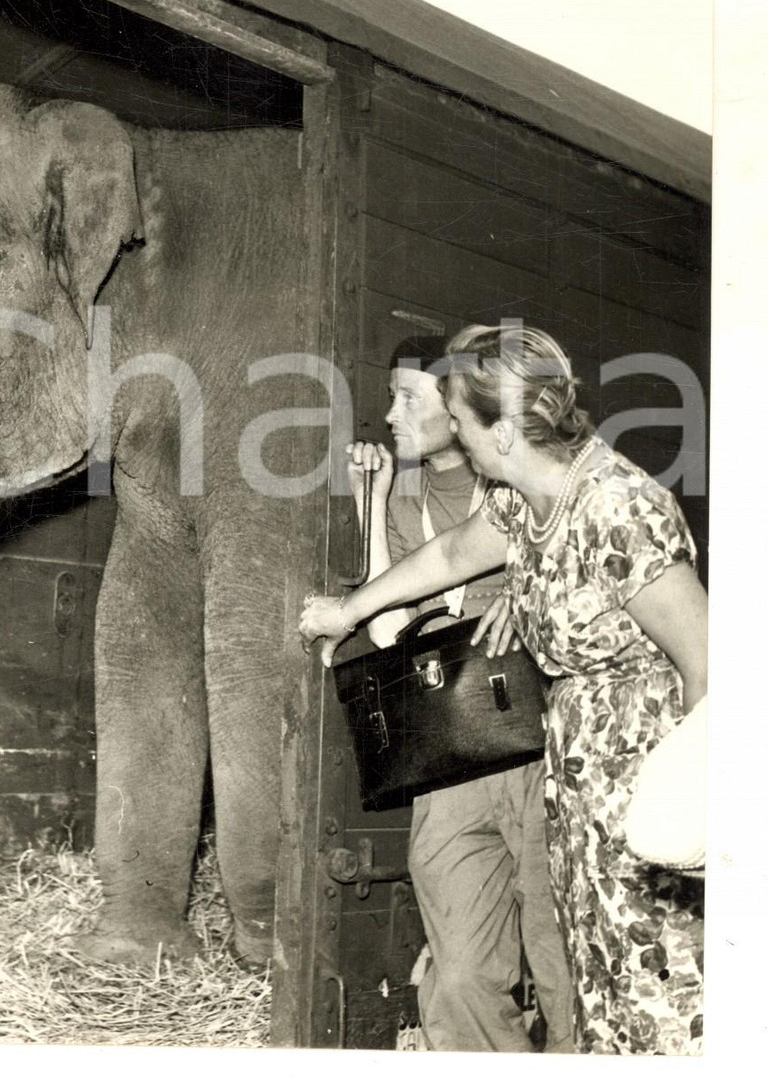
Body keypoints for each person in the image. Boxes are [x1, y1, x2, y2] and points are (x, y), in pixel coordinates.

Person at [301, 324, 706, 1056]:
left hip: (643, 779)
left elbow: (708, 662)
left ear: (505, 434)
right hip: (578, 777)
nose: (450, 428)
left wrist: (697, 815)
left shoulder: (617, 509)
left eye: (459, 416)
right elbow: (453, 553)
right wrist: (350, 609)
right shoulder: (522, 502)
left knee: (649, 982)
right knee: (594, 975)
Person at [345, 335, 573, 1053]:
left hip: (534, 740)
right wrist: (370, 500)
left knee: (561, 955)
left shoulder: (518, 483)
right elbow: (387, 630)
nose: (390, 415)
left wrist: (523, 595)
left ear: (456, 404)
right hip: (451, 749)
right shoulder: (404, 493)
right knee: (463, 972)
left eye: (408, 397)